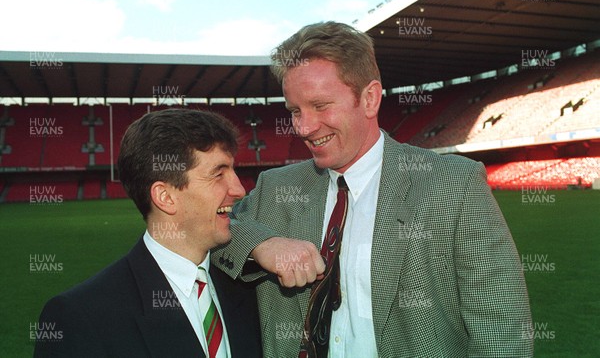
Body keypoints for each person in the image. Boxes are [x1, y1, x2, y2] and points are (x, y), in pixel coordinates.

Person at [212, 22, 533, 357]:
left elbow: (502, 332)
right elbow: (208, 232)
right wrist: (262, 244)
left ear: (369, 99)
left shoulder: (455, 185)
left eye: (321, 106)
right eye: (295, 111)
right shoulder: (276, 187)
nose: (304, 127)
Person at [34, 109, 262, 358]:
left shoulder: (250, 288)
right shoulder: (80, 318)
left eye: (233, 170)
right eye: (218, 174)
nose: (239, 189)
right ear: (165, 197)